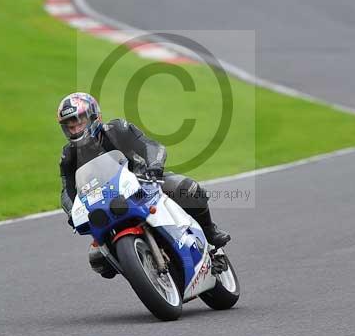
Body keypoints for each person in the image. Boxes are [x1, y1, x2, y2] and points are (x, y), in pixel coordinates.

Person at [57, 92, 231, 278]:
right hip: (107, 204)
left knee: (188, 189)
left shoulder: (117, 129)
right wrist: (72, 212)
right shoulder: (69, 156)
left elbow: (151, 146)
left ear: (93, 116)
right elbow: (67, 191)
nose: (75, 129)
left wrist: (154, 166)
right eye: (70, 126)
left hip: (144, 184)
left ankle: (211, 238)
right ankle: (138, 266)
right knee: (97, 260)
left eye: (79, 122)